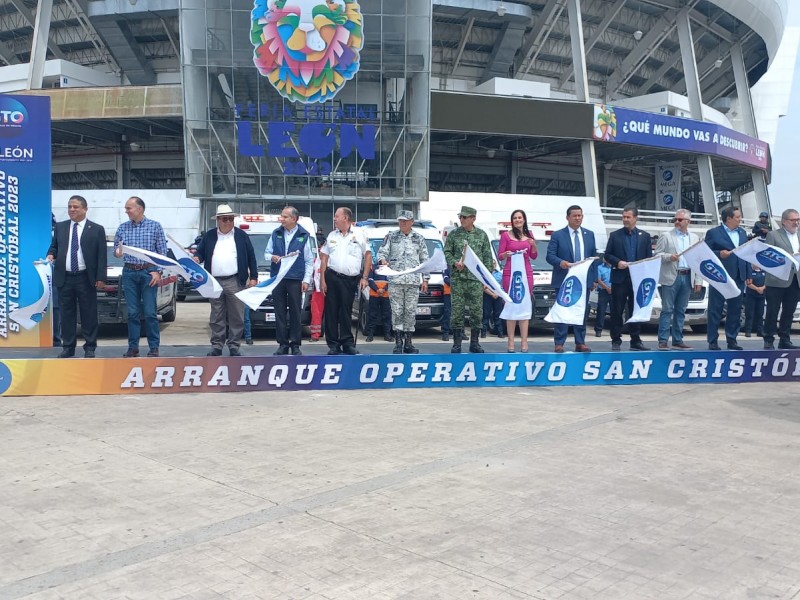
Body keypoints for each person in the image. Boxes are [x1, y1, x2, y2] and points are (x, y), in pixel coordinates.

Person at [47, 195, 107, 358]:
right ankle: (68, 347)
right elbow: (54, 247)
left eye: (75, 207)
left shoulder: (96, 229)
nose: (71, 210)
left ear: (85, 209)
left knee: (88, 313)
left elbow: (102, 256)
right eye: (69, 207)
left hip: (85, 278)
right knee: (66, 314)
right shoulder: (60, 227)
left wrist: (101, 277)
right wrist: (51, 255)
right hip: (65, 278)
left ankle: (89, 347)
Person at [194, 204, 258, 357]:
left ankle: (234, 345)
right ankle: (217, 345)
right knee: (216, 315)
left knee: (237, 315)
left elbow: (251, 256)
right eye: (224, 219)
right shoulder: (209, 236)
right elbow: (200, 252)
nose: (228, 222)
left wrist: (254, 277)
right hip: (214, 281)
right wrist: (197, 258)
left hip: (235, 280)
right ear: (218, 220)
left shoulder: (241, 236)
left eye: (230, 219)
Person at [114, 196, 168, 358]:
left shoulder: (155, 227)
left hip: (148, 273)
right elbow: (116, 250)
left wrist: (157, 271)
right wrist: (118, 252)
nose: (126, 211)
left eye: (129, 208)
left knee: (150, 312)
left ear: (140, 209)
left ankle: (154, 347)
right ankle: (133, 347)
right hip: (129, 272)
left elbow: (162, 252)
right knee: (132, 313)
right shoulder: (123, 228)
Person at [320, 207, 372, 355]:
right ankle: (333, 344)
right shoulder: (331, 235)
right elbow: (324, 257)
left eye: (337, 216)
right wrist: (322, 280)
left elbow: (368, 256)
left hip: (349, 280)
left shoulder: (359, 234)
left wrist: (365, 277)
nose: (334, 219)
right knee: (331, 312)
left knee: (346, 311)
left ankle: (347, 342)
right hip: (332, 276)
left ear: (346, 218)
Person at [546, 205, 597, 353]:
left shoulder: (589, 234)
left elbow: (594, 258)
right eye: (574, 216)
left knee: (581, 311)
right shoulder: (558, 235)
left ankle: (580, 342)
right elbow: (550, 256)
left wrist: (593, 279)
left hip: (583, 280)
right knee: (563, 310)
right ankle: (559, 342)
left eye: (580, 215)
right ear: (567, 217)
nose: (577, 218)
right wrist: (561, 263)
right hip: (564, 278)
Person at [377, 210, 430, 354]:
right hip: (396, 280)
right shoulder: (392, 236)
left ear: (412, 222)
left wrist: (425, 279)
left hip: (412, 281)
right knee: (397, 311)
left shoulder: (418, 238)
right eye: (400, 221)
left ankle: (408, 342)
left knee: (410, 312)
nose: (402, 223)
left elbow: (425, 259)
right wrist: (383, 260)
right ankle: (398, 342)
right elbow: (381, 252)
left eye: (405, 221)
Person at [443, 205, 493, 353]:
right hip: (458, 279)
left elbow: (487, 259)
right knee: (457, 311)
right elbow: (447, 251)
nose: (462, 219)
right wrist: (454, 262)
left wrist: (486, 280)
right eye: (460, 217)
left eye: (465, 217)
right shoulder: (454, 235)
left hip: (475, 280)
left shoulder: (482, 235)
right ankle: (457, 343)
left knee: (477, 312)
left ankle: (475, 342)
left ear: (473, 218)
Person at [266, 206, 313, 356]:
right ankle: (282, 344)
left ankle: (295, 344)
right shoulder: (276, 233)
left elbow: (309, 260)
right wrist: (272, 257)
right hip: (278, 278)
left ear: (294, 219)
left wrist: (306, 280)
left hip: (295, 279)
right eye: (281, 216)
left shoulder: (303, 235)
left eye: (285, 217)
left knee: (295, 312)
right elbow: (266, 253)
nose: (282, 219)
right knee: (279, 312)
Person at [605, 207, 653, 351]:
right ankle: (616, 339)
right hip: (620, 278)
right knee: (617, 310)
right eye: (624, 217)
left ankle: (635, 339)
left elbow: (648, 258)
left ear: (635, 218)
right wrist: (617, 262)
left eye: (628, 217)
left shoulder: (644, 236)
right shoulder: (615, 235)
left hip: (638, 280)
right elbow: (607, 255)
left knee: (636, 310)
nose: (625, 219)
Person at [655, 209, 702, 350]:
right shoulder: (666, 236)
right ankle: (663, 340)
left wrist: (698, 280)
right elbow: (657, 255)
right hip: (671, 276)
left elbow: (698, 260)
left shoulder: (694, 238)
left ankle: (678, 339)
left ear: (688, 221)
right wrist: (670, 257)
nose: (676, 222)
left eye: (680, 220)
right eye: (675, 219)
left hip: (687, 276)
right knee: (667, 309)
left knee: (681, 310)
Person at [704, 206, 748, 350]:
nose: (740, 219)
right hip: (720, 276)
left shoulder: (742, 233)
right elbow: (705, 253)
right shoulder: (714, 233)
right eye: (738, 217)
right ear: (728, 218)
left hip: (739, 276)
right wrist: (718, 254)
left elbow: (746, 253)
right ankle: (712, 340)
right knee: (715, 309)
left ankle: (732, 339)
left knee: (735, 309)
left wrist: (748, 274)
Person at [498, 209, 537, 352]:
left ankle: (524, 341)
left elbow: (534, 256)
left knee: (524, 306)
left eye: (520, 217)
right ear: (512, 220)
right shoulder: (506, 236)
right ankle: (510, 341)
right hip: (510, 274)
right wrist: (506, 254)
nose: (517, 220)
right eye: (515, 218)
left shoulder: (530, 235)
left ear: (524, 219)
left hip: (526, 273)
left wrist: (533, 245)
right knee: (511, 306)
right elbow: (500, 256)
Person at [763, 208, 800, 350]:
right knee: (773, 310)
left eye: (798, 219)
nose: (796, 222)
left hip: (795, 279)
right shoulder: (773, 235)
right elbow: (767, 256)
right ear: (784, 221)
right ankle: (768, 338)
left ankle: (785, 339)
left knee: (789, 312)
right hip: (776, 280)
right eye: (793, 220)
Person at [365, 260, 392, 343]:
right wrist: (377, 289)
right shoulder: (373, 267)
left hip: (386, 295)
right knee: (372, 315)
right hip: (374, 294)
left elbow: (391, 280)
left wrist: (383, 289)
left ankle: (387, 335)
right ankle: (370, 335)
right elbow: (370, 280)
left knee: (387, 316)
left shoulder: (390, 269)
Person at [743, 264, 766, 338]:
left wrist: (762, 288)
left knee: (760, 314)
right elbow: (748, 283)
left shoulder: (764, 272)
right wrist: (757, 289)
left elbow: (767, 282)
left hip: (761, 296)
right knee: (749, 313)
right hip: (751, 296)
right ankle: (748, 331)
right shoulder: (750, 272)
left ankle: (760, 331)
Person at [310, 239, 326, 342]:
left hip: (328, 292)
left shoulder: (330, 261)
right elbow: (310, 275)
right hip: (317, 292)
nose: (321, 253)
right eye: (320, 251)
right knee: (315, 314)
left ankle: (333, 335)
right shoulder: (315, 261)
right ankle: (315, 334)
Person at [594, 256, 612, 338]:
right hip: (603, 291)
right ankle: (598, 330)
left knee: (615, 312)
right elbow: (599, 280)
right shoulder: (599, 267)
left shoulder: (615, 267)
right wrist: (607, 288)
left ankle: (615, 330)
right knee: (601, 311)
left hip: (614, 292)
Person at [440, 267, 452, 341]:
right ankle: (445, 332)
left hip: (459, 294)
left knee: (460, 313)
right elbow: (446, 279)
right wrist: (457, 283)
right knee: (447, 312)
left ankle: (461, 332)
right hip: (448, 293)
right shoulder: (446, 267)